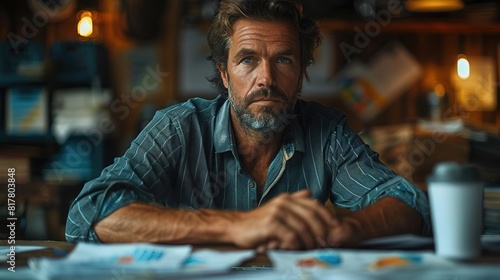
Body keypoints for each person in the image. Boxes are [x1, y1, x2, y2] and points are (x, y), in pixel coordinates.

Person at [66, 0, 430, 251]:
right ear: (224, 74)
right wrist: (236, 227)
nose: (266, 79)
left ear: (302, 73)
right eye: (247, 60)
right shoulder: (179, 128)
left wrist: (347, 228)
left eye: (284, 59)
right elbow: (90, 212)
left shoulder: (328, 132)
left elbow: (410, 203)